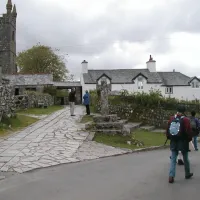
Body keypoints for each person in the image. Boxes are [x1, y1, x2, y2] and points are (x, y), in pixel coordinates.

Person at [166, 105, 193, 183]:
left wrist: (169, 137)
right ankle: (187, 173)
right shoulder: (186, 120)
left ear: (177, 110)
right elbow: (189, 131)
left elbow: (168, 129)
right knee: (185, 158)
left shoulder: (172, 118)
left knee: (173, 158)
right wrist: (189, 139)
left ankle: (171, 176)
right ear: (184, 111)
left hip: (174, 141)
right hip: (183, 142)